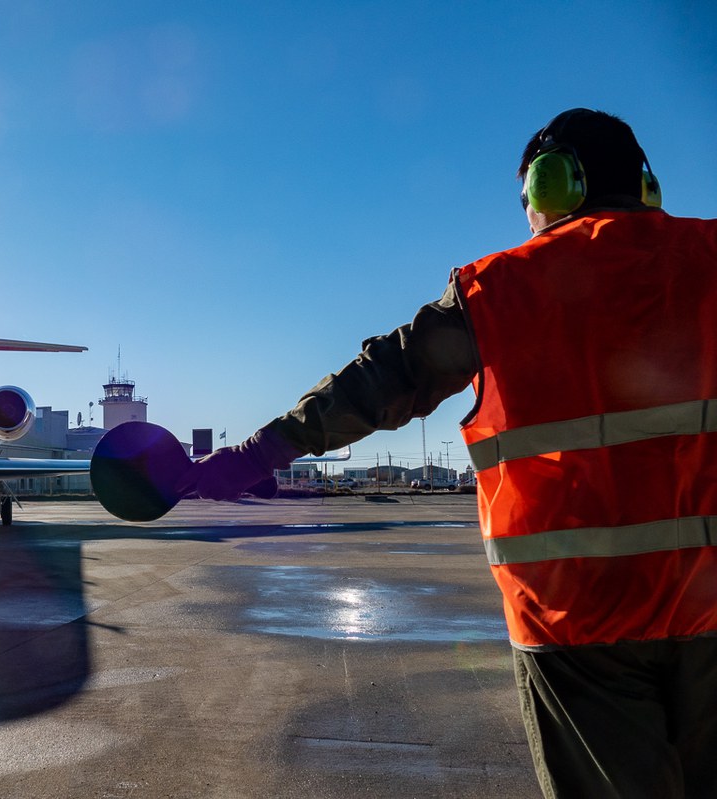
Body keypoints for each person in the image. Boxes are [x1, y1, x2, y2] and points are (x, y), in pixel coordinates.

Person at [184, 108, 717, 798]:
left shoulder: (501, 290)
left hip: (576, 624)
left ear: (553, 184)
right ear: (645, 183)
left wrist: (248, 459)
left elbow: (370, 387)